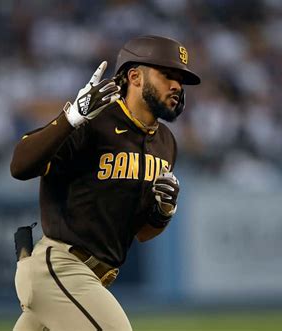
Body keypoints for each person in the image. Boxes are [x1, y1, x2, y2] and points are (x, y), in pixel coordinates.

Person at [10, 35, 201, 331]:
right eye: (168, 75)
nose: (177, 85)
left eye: (181, 79)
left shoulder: (165, 143)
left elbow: (142, 233)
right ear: (135, 76)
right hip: (60, 269)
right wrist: (72, 117)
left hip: (90, 280)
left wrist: (163, 212)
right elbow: (20, 166)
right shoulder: (94, 119)